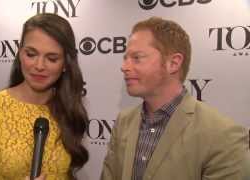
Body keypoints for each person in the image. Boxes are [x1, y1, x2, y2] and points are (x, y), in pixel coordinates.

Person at [101, 17, 249, 180]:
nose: (124, 67)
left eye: (137, 58)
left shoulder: (222, 135)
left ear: (174, 63)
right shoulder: (124, 121)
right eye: (125, 58)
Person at [0, 13, 89, 180]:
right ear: (20, 54)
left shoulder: (69, 110)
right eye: (31, 54)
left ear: (65, 63)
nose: (39, 66)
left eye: (51, 58)